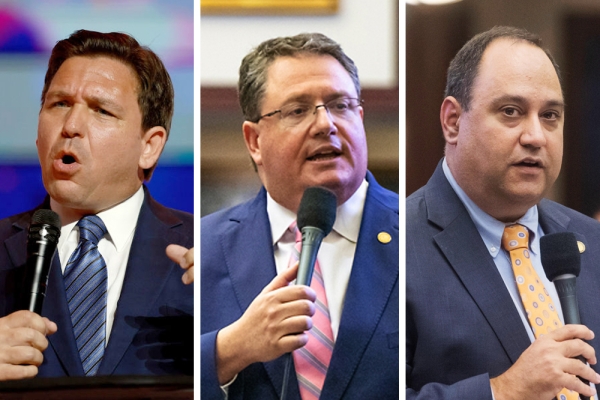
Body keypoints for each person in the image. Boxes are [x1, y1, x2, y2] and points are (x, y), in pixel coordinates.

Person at [201, 33, 399, 399]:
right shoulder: (201, 249)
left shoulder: (420, 235)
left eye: (340, 105)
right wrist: (229, 350)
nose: (326, 124)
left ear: (360, 117)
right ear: (254, 141)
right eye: (297, 110)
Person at [406, 26, 600, 399]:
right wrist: (502, 391)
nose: (535, 136)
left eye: (550, 116)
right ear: (452, 121)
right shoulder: (400, 245)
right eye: (511, 112)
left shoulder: (588, 240)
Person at [0, 29, 193, 379]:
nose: (70, 126)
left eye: (101, 110)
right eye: (59, 104)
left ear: (149, 146)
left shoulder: (202, 252)